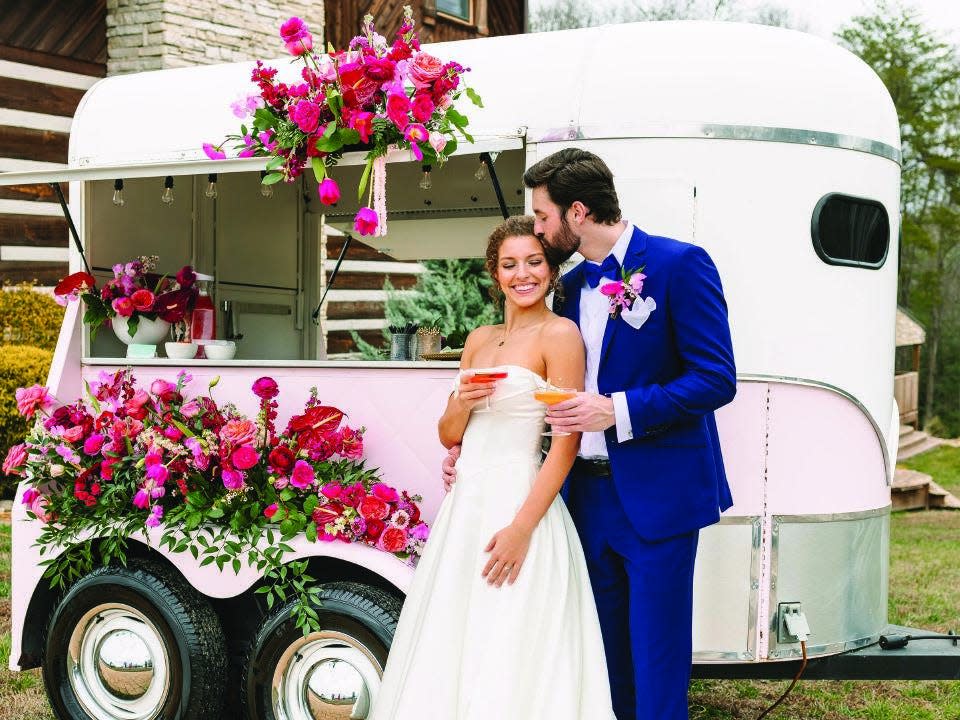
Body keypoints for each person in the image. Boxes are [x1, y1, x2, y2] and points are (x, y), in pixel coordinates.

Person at [443, 148, 736, 720]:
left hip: (657, 495)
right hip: (581, 498)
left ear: (577, 212)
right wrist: (472, 449)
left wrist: (619, 410)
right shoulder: (571, 287)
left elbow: (715, 379)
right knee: (597, 658)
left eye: (545, 217)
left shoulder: (681, 264)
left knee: (656, 658)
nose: (541, 230)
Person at [369, 215, 616, 720]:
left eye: (533, 262)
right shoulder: (480, 339)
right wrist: (462, 400)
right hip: (466, 508)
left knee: (510, 635)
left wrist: (522, 530)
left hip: (518, 500)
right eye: (509, 264)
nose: (522, 274)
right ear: (494, 272)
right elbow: (449, 433)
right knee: (455, 635)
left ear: (550, 271)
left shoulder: (561, 335)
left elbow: (565, 444)